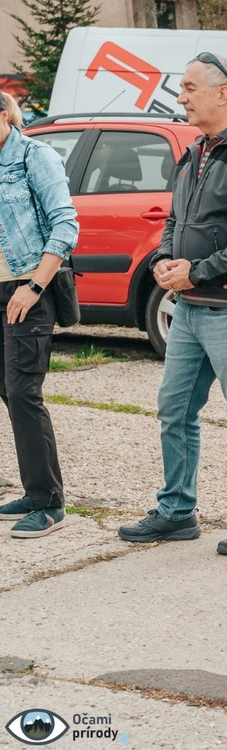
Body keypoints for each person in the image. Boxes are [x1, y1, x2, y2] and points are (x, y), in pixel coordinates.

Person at [117, 53, 227, 556]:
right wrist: (166, 261)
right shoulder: (195, 152)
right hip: (190, 308)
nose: (181, 96)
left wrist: (197, 271)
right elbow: (176, 219)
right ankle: (177, 510)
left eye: (190, 87)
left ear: (222, 93)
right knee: (174, 408)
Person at [0, 89, 79, 538]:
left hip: (30, 288)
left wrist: (33, 286)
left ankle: (49, 505)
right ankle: (35, 492)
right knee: (9, 391)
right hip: (0, 289)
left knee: (24, 391)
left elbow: (66, 224)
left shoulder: (35, 156)